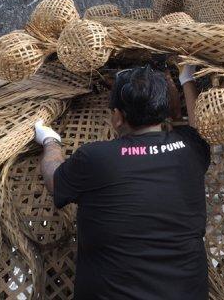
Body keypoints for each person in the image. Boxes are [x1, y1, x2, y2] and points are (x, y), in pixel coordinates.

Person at [33, 63, 208, 300]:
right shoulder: (190, 148)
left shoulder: (96, 157)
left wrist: (51, 142)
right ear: (163, 110)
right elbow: (200, 127)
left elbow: (55, 178)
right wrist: (187, 79)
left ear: (117, 117)